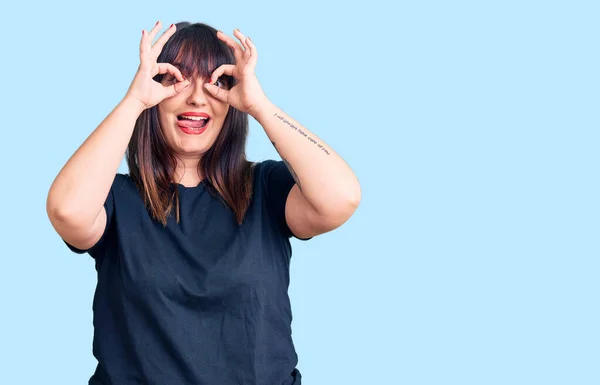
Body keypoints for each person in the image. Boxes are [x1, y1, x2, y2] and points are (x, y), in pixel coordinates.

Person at [46, 20, 361, 385]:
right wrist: (133, 102)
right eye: (176, 80)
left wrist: (260, 105)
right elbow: (66, 210)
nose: (197, 97)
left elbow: (342, 197)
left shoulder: (267, 189)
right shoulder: (114, 199)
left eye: (217, 82)